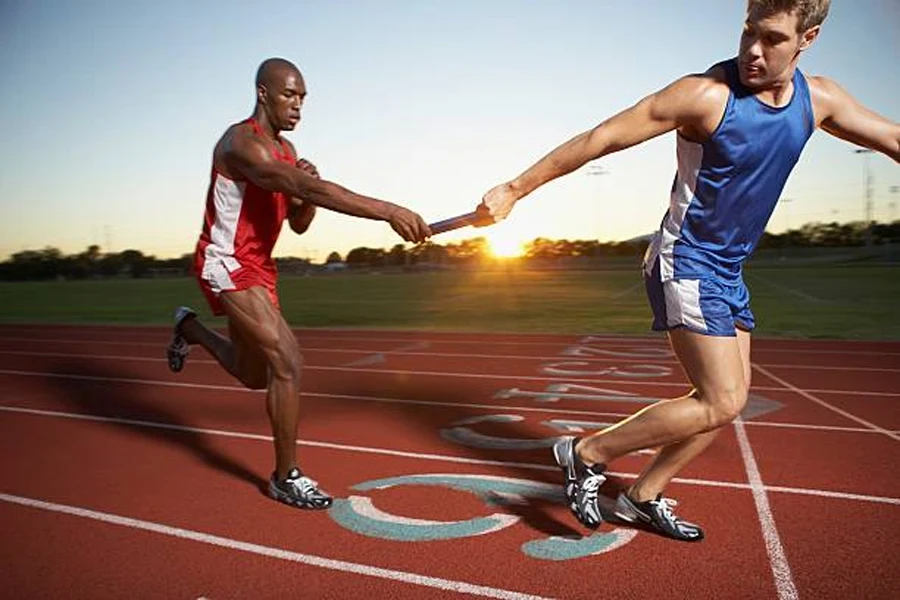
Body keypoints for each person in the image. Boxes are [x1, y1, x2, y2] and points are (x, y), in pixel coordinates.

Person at [476, 0, 898, 541]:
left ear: (807, 39)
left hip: (728, 267)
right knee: (722, 398)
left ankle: (640, 497)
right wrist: (515, 188)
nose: (751, 50)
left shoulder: (821, 99)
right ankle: (584, 453)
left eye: (771, 39)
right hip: (686, 257)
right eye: (748, 32)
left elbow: (893, 138)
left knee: (725, 403)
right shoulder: (705, 95)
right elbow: (599, 138)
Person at [166, 57, 431, 510]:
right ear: (263, 93)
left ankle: (188, 328)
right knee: (287, 360)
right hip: (225, 261)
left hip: (261, 267)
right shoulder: (240, 143)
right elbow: (305, 191)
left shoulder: (287, 152)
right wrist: (386, 209)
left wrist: (307, 187)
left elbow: (300, 220)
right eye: (290, 95)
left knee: (253, 375)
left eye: (303, 98)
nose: (298, 106)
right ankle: (285, 476)